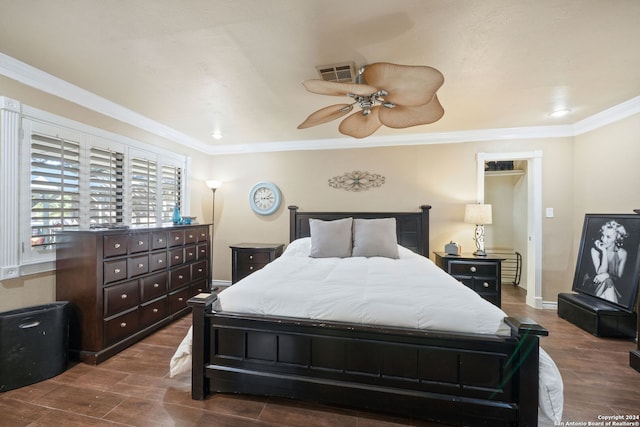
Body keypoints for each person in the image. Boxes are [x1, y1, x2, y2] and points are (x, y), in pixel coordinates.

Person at [588, 220, 628, 303]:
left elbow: (619, 278)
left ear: (617, 238)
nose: (603, 239)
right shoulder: (594, 250)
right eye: (603, 235)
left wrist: (607, 275)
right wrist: (604, 252)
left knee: (608, 281)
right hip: (593, 284)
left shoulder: (622, 253)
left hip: (613, 287)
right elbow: (600, 274)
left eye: (608, 237)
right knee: (607, 282)